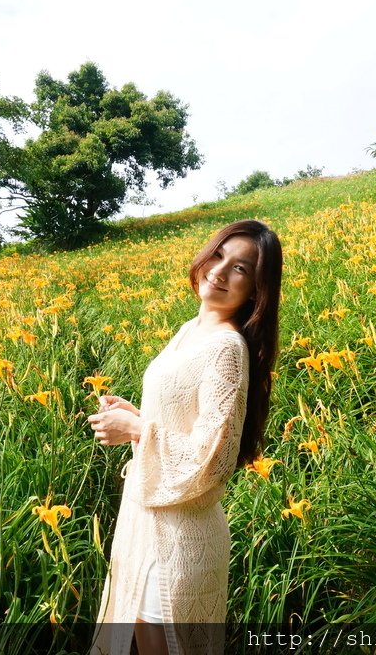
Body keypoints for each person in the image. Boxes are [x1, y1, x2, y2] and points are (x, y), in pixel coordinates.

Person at [87, 219, 283, 655]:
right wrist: (137, 418)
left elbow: (213, 458)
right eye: (219, 255)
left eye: (241, 268)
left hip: (179, 543)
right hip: (146, 524)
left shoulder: (226, 348)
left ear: (255, 290)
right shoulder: (188, 331)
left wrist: (139, 430)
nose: (221, 270)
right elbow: (183, 423)